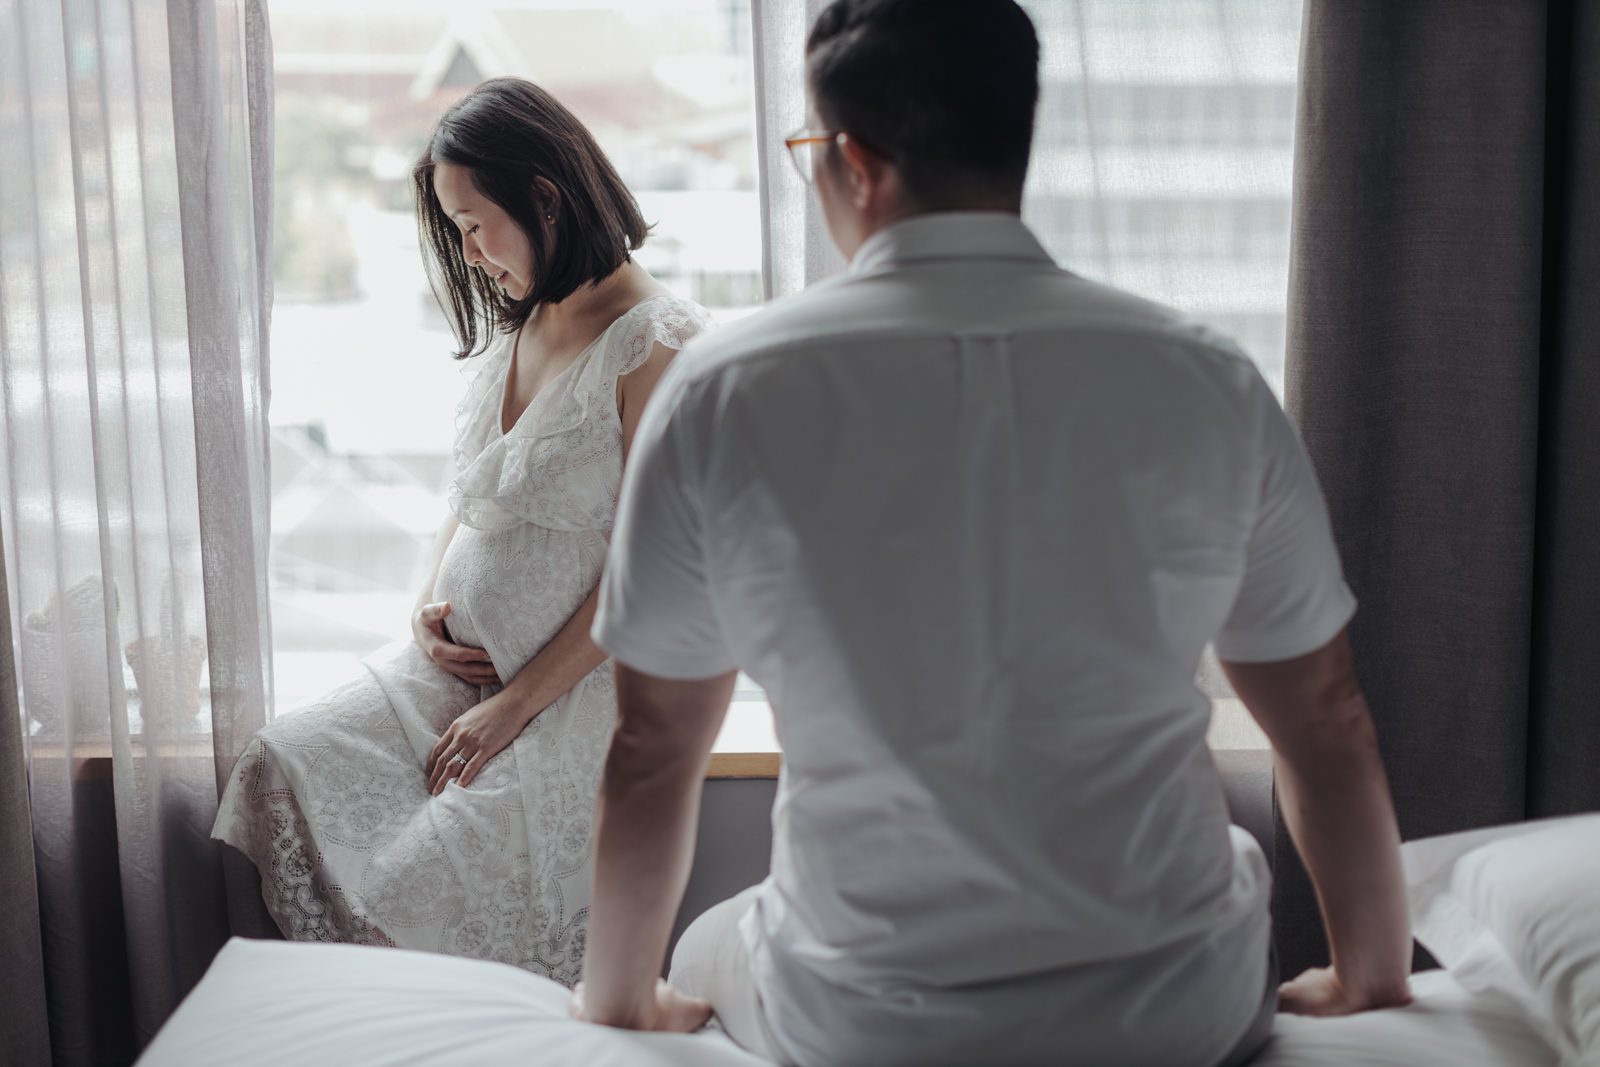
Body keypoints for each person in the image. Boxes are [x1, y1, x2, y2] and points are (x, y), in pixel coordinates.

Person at [571, 1, 1413, 1063]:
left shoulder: (725, 391)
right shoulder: (1205, 379)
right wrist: (1371, 973)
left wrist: (618, 1006)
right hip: (1179, 1007)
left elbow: (651, 746)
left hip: (867, 1018)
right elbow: (1325, 715)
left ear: (856, 163)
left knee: (702, 943)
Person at [213, 77, 712, 984]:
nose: (469, 251)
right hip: (450, 677)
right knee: (274, 765)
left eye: (474, 223)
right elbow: (474, 491)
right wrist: (424, 609)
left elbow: (655, 569)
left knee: (402, 893)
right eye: (456, 230)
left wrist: (510, 709)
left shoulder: (661, 343)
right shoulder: (528, 318)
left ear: (545, 198)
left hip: (559, 703)